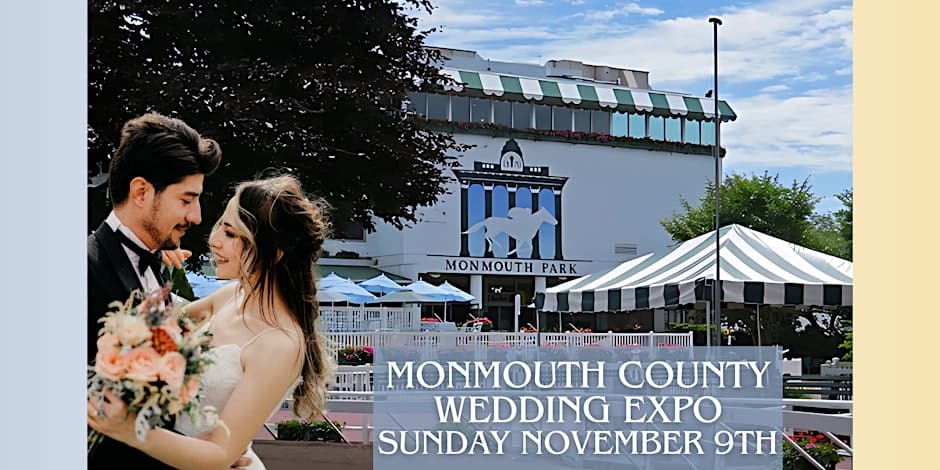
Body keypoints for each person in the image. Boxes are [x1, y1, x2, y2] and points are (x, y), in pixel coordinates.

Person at [88, 175, 337, 470]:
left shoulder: (280, 344)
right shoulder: (231, 295)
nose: (214, 240)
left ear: (274, 253)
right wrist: (155, 263)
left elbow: (219, 454)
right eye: (221, 224)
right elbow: (155, 326)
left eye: (231, 234)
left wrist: (129, 430)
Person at [87, 112, 251, 469]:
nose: (195, 216)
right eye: (187, 199)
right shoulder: (84, 269)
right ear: (142, 192)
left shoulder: (159, 267)